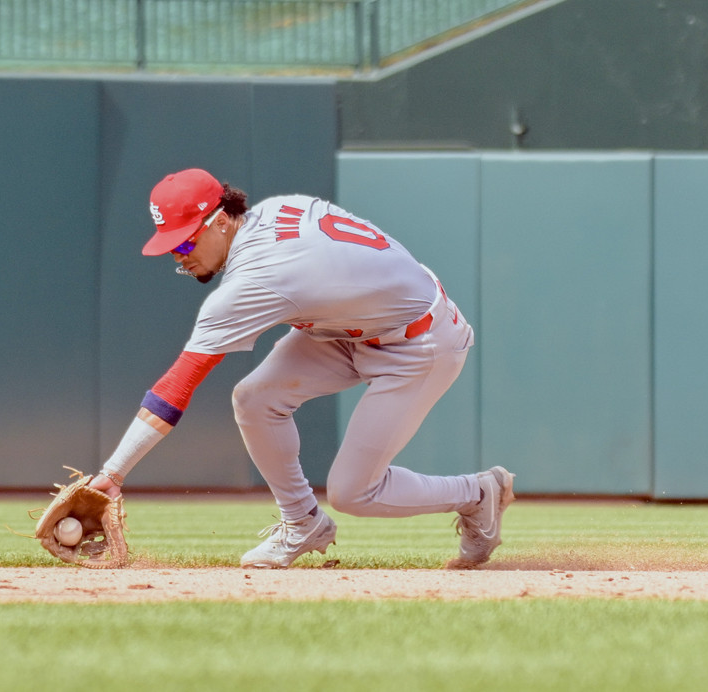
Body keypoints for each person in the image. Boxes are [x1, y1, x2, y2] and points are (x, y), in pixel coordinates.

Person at [88, 168, 515, 569]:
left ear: (221, 221)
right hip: (349, 329)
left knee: (353, 493)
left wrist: (112, 474)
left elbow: (178, 386)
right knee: (255, 399)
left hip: (419, 343)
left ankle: (478, 493)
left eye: (184, 243)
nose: (180, 257)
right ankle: (302, 522)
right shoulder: (276, 208)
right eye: (171, 246)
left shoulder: (256, 279)